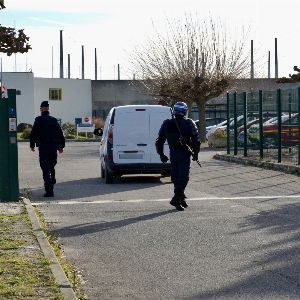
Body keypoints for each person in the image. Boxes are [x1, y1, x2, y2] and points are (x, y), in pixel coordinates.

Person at [156, 101, 200, 211]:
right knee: (183, 177)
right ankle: (176, 198)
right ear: (185, 111)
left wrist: (161, 154)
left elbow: (159, 141)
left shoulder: (167, 123)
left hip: (173, 153)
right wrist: (195, 154)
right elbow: (197, 140)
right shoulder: (189, 123)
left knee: (176, 177)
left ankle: (181, 198)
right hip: (184, 153)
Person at [30, 101, 65, 197]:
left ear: (41, 109)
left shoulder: (38, 120)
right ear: (49, 109)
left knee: (45, 168)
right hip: (53, 147)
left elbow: (34, 133)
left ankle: (49, 191)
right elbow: (60, 133)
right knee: (51, 166)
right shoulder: (54, 120)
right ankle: (52, 180)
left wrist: (32, 144)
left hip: (43, 147)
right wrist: (61, 146)